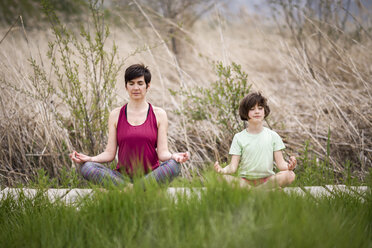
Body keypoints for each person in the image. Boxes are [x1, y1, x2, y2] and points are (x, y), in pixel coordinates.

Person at [70, 64, 190, 187]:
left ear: (148, 86)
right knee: (87, 168)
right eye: (131, 83)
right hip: (122, 178)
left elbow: (163, 154)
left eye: (140, 83)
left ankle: (131, 190)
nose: (135, 88)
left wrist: (174, 156)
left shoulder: (159, 114)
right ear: (126, 87)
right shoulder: (115, 115)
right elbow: (109, 154)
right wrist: (89, 159)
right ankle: (135, 189)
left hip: (151, 176)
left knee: (174, 165)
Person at [214, 92, 296, 188]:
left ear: (265, 111)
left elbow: (281, 164)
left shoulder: (273, 136)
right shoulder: (239, 137)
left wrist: (289, 166)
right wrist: (222, 170)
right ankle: (262, 192)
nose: (257, 112)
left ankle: (254, 192)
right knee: (219, 178)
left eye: (260, 108)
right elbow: (233, 167)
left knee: (290, 175)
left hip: (268, 180)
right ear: (245, 113)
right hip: (244, 182)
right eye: (252, 109)